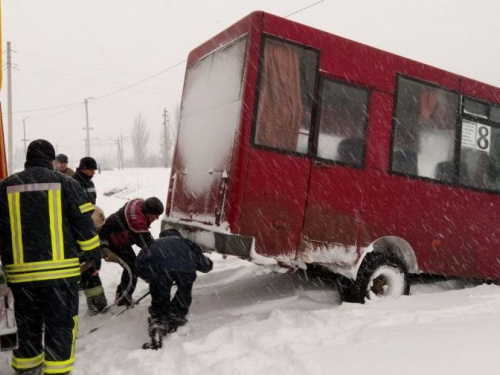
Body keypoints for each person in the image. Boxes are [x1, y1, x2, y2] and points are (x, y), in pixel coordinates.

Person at [0, 139, 101, 375]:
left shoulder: (5, 187)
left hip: (20, 276)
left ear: (28, 158)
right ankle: (57, 371)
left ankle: (27, 369)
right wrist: (93, 258)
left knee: (27, 325)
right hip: (60, 275)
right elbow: (84, 229)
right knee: (61, 325)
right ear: (51, 159)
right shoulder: (66, 183)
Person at [136, 229, 212, 340]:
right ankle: (177, 314)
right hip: (185, 269)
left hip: (159, 269)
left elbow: (138, 264)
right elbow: (207, 265)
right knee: (184, 289)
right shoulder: (187, 243)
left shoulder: (153, 243)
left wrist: (147, 277)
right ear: (179, 235)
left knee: (159, 290)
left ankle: (159, 319)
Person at [99, 197, 164, 306]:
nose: (157, 218)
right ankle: (123, 298)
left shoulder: (138, 205)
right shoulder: (137, 223)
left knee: (134, 265)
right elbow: (149, 247)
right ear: (147, 212)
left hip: (119, 238)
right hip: (113, 242)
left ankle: (123, 295)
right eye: (155, 215)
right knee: (132, 268)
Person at [78, 206, 108, 315]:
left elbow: (100, 239)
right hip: (74, 269)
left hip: (89, 267)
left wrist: (104, 248)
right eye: (97, 228)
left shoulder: (93, 231)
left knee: (92, 278)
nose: (100, 229)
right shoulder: (79, 233)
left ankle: (98, 304)